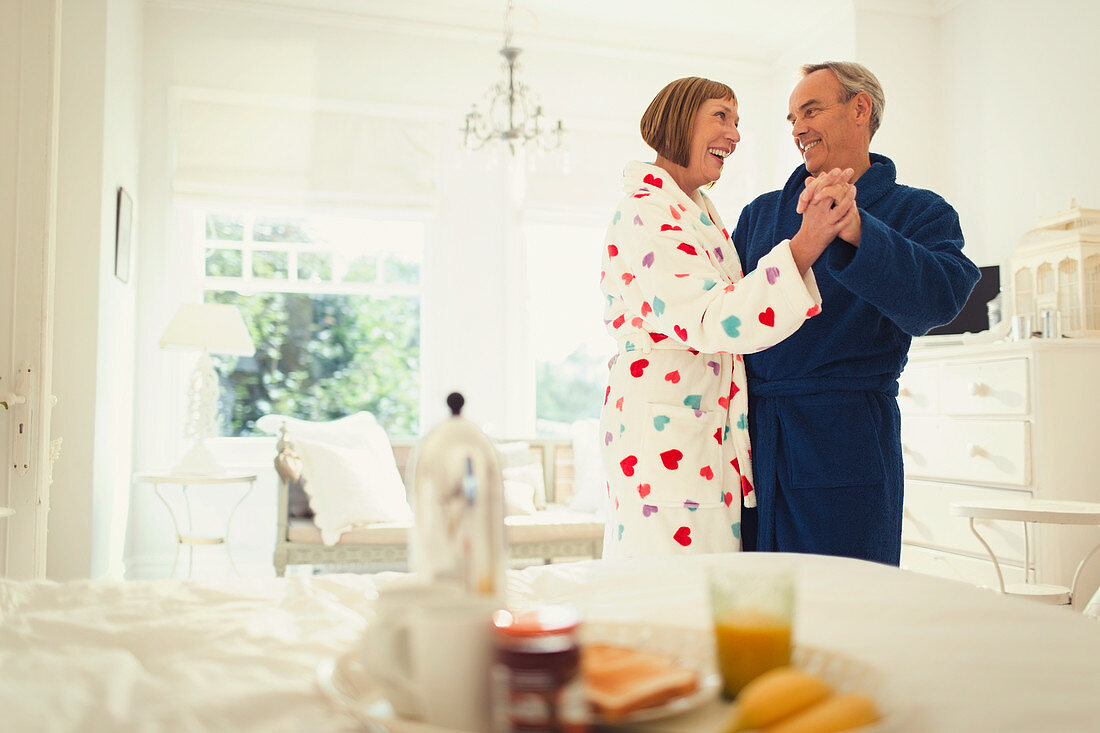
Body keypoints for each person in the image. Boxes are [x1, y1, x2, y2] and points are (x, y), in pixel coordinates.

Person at [732, 62, 981, 565]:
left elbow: (940, 301)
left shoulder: (919, 212)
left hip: (845, 438)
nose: (798, 127)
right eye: (791, 118)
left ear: (860, 108)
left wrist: (857, 228)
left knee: (847, 601)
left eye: (811, 110)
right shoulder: (759, 214)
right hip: (753, 442)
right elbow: (725, 316)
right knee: (754, 604)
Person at [599, 76, 856, 558]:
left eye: (737, 122)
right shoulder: (646, 212)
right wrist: (807, 242)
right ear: (678, 120)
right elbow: (715, 316)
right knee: (674, 588)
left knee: (705, 584)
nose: (735, 135)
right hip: (666, 429)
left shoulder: (693, 209)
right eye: (721, 116)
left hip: (696, 425)